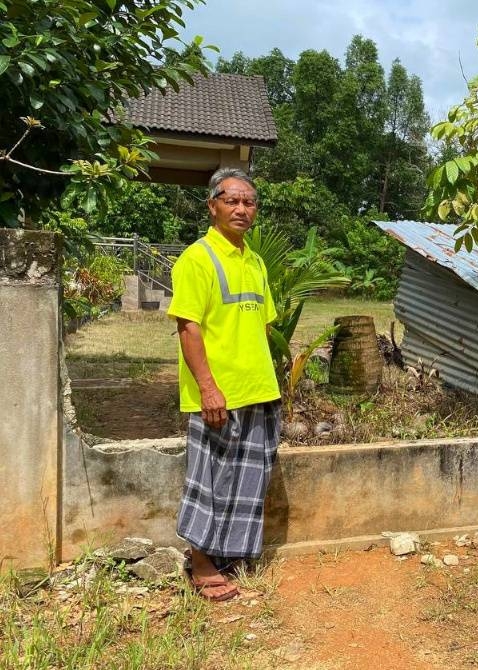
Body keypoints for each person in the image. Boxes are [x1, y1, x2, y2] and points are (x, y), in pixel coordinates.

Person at [168, 167, 281, 602]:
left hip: (258, 388)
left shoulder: (255, 261)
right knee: (209, 479)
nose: (241, 208)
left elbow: (264, 327)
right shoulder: (197, 259)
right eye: (231, 200)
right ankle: (199, 561)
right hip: (217, 392)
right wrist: (209, 388)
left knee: (248, 477)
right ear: (212, 205)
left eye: (248, 202)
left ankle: (228, 554)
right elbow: (188, 328)